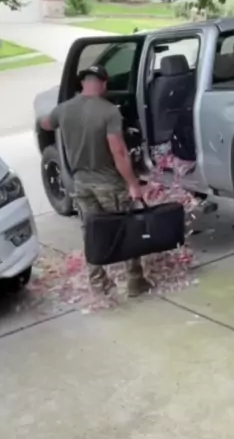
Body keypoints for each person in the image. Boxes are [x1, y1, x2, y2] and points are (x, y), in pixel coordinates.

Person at [40, 65, 151, 299]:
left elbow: (46, 124)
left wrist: (50, 118)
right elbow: (119, 151)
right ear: (103, 84)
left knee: (91, 233)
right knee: (126, 229)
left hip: (81, 184)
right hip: (109, 184)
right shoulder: (109, 112)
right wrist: (133, 183)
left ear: (82, 84)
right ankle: (135, 281)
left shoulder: (64, 109)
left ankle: (99, 285)